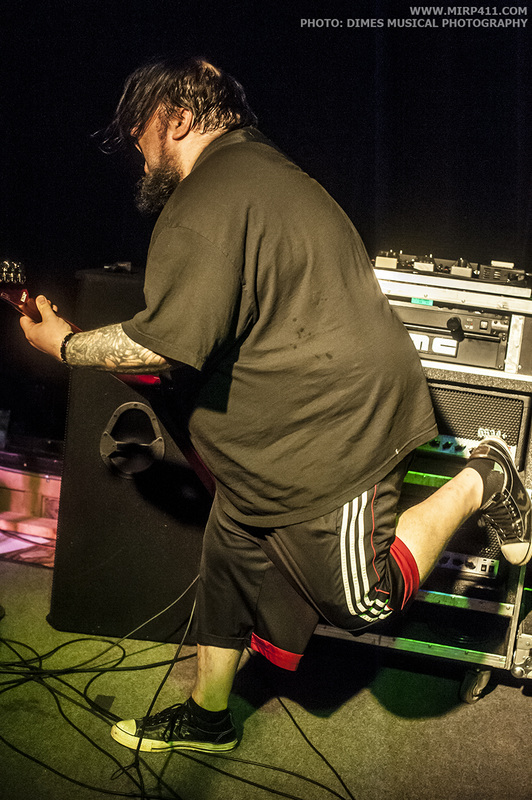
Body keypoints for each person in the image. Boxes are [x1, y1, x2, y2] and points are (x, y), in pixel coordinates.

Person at [21, 57, 532, 754]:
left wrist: (64, 344)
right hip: (274, 427)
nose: (136, 147)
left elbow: (162, 346)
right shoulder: (259, 169)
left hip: (334, 430)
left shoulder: (206, 199)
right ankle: (207, 717)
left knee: (364, 601)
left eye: (140, 128)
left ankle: (485, 478)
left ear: (178, 118)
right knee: (230, 565)